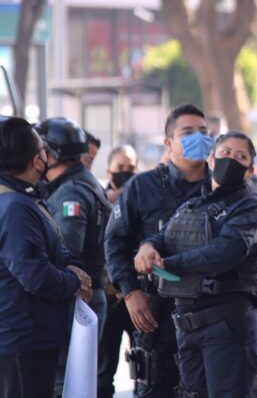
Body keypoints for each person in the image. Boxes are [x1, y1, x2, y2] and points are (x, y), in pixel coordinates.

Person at [134, 131, 257, 397]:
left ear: (250, 171)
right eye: (225, 152)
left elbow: (225, 252)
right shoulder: (194, 204)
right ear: (211, 159)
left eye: (240, 157)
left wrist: (169, 264)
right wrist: (147, 248)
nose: (231, 159)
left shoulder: (250, 206)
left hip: (226, 326)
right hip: (187, 327)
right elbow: (165, 235)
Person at [105, 104, 214, 397]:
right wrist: (130, 292)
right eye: (188, 133)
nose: (199, 138)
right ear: (168, 143)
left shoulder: (224, 187)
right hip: (156, 315)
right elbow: (115, 242)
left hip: (211, 315)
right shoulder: (143, 186)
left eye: (204, 132)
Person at [0, 117, 92, 398]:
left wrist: (73, 266)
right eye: (42, 150)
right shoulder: (14, 206)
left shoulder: (23, 199)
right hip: (22, 342)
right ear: (33, 159)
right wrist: (73, 282)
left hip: (30, 338)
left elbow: (54, 246)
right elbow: (34, 274)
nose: (47, 156)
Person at [98, 144, 138, 398]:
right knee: (103, 371)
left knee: (144, 369)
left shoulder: (143, 201)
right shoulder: (97, 200)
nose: (125, 172)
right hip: (109, 299)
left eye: (130, 168)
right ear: (109, 170)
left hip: (137, 298)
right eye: (120, 167)